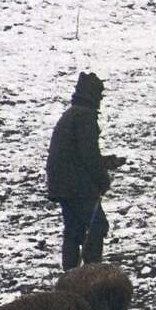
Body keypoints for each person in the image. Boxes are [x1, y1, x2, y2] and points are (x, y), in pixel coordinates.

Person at [46, 71, 111, 270]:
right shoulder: (85, 117)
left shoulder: (72, 114)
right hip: (76, 186)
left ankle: (70, 276)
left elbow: (77, 153)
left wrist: (107, 162)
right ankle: (90, 274)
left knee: (73, 229)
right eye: (99, 95)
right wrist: (103, 180)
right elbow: (88, 154)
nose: (100, 100)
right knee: (97, 225)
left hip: (62, 183)